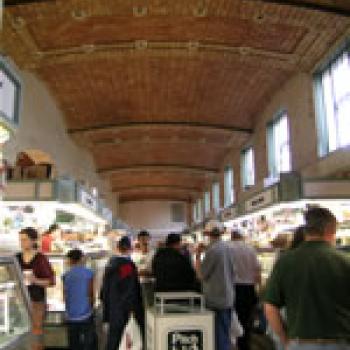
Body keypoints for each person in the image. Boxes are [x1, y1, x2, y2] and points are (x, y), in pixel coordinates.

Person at [264, 206, 350, 350]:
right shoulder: (345, 261)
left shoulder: (285, 261)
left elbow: (270, 307)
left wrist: (284, 340)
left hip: (299, 343)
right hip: (340, 343)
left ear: (306, 231)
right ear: (330, 231)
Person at [195, 220, 236, 350]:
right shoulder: (227, 247)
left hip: (215, 299)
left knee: (218, 338)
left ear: (208, 234)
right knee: (225, 334)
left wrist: (197, 256)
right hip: (228, 297)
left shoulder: (212, 251)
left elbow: (201, 275)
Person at [100, 236, 144, 350]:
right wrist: (132, 309)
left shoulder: (110, 265)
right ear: (130, 249)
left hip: (112, 309)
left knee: (113, 340)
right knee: (123, 341)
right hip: (123, 310)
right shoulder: (126, 266)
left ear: (118, 248)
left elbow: (104, 290)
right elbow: (129, 289)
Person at [16, 227, 55, 349]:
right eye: (21, 240)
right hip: (20, 301)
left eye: (25, 240)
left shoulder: (40, 258)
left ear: (33, 241)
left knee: (36, 334)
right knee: (21, 333)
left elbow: (51, 281)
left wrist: (35, 280)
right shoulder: (16, 258)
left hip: (36, 301)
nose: (22, 243)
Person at [230, 230, 261, 350]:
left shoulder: (228, 248)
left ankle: (234, 344)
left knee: (234, 318)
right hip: (249, 289)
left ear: (232, 237)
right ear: (241, 237)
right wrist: (258, 288)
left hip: (234, 288)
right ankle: (245, 344)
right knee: (247, 320)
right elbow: (257, 270)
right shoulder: (250, 249)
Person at [62, 249, 96, 350]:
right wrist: (92, 306)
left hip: (71, 315)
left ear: (70, 260)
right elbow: (90, 293)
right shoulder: (89, 273)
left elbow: (65, 296)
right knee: (88, 342)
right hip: (85, 313)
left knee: (74, 343)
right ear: (81, 258)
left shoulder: (65, 275)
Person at [132, 230, 155, 306]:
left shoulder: (154, 254)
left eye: (147, 239)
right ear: (138, 241)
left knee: (150, 307)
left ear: (150, 239)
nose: (145, 242)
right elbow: (126, 271)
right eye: (142, 240)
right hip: (137, 285)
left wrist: (148, 273)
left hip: (151, 284)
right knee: (138, 308)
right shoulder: (133, 256)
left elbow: (158, 271)